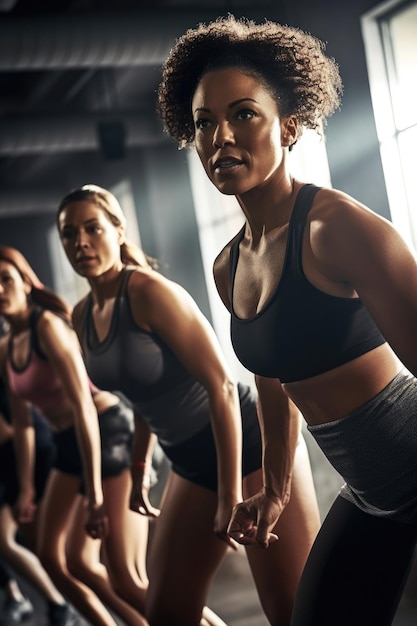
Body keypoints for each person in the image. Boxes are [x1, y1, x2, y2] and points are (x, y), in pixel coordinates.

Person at [156, 12, 417, 626]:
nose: (222, 137)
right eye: (204, 123)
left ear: (290, 126)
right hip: (369, 495)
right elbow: (272, 379)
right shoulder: (228, 268)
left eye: (243, 113)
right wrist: (275, 487)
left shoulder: (336, 229)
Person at [56, 183, 321, 626]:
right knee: (167, 613)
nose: (80, 242)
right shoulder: (81, 316)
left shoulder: (149, 293)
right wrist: (141, 468)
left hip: (249, 444)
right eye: (69, 234)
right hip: (188, 460)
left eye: (92, 228)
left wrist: (229, 496)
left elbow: (220, 386)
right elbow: (140, 391)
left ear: (118, 231)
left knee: (291, 610)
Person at [0, 246, 151, 626]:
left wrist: (95, 494)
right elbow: (24, 425)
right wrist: (26, 489)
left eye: (5, 279)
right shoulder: (5, 349)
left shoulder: (47, 326)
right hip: (68, 443)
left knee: (124, 577)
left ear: (26, 283)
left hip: (105, 431)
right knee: (54, 557)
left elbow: (84, 406)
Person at [0, 367, 77, 626]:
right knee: (11, 542)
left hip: (28, 457)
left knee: (56, 553)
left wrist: (25, 488)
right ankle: (59, 604)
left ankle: (65, 604)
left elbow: (11, 429)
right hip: (11, 462)